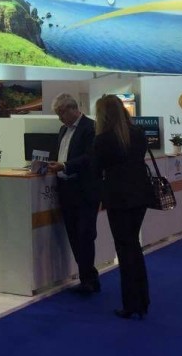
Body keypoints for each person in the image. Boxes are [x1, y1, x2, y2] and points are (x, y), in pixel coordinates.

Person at [92, 94, 154, 319]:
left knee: (125, 248)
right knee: (133, 246)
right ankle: (141, 299)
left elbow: (96, 168)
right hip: (140, 194)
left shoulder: (103, 140)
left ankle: (131, 303)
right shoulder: (138, 134)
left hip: (118, 198)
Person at [44, 93, 100, 294]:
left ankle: (89, 279)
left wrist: (65, 165)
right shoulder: (63, 130)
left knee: (85, 234)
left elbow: (90, 158)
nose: (60, 118)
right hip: (66, 189)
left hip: (85, 190)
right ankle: (86, 277)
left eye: (61, 113)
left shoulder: (91, 128)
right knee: (74, 235)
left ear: (72, 108)